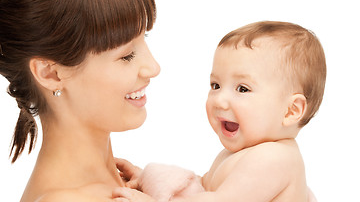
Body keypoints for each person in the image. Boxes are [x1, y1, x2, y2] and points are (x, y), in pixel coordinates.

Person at [113, 21, 325, 202]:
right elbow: (201, 189)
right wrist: (149, 179)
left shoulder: (275, 159)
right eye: (215, 85)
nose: (220, 100)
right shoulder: (239, 154)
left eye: (242, 89)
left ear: (291, 110)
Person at [0, 0, 160, 201]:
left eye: (144, 37)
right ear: (50, 74)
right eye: (126, 55)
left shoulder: (124, 185)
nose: (153, 67)